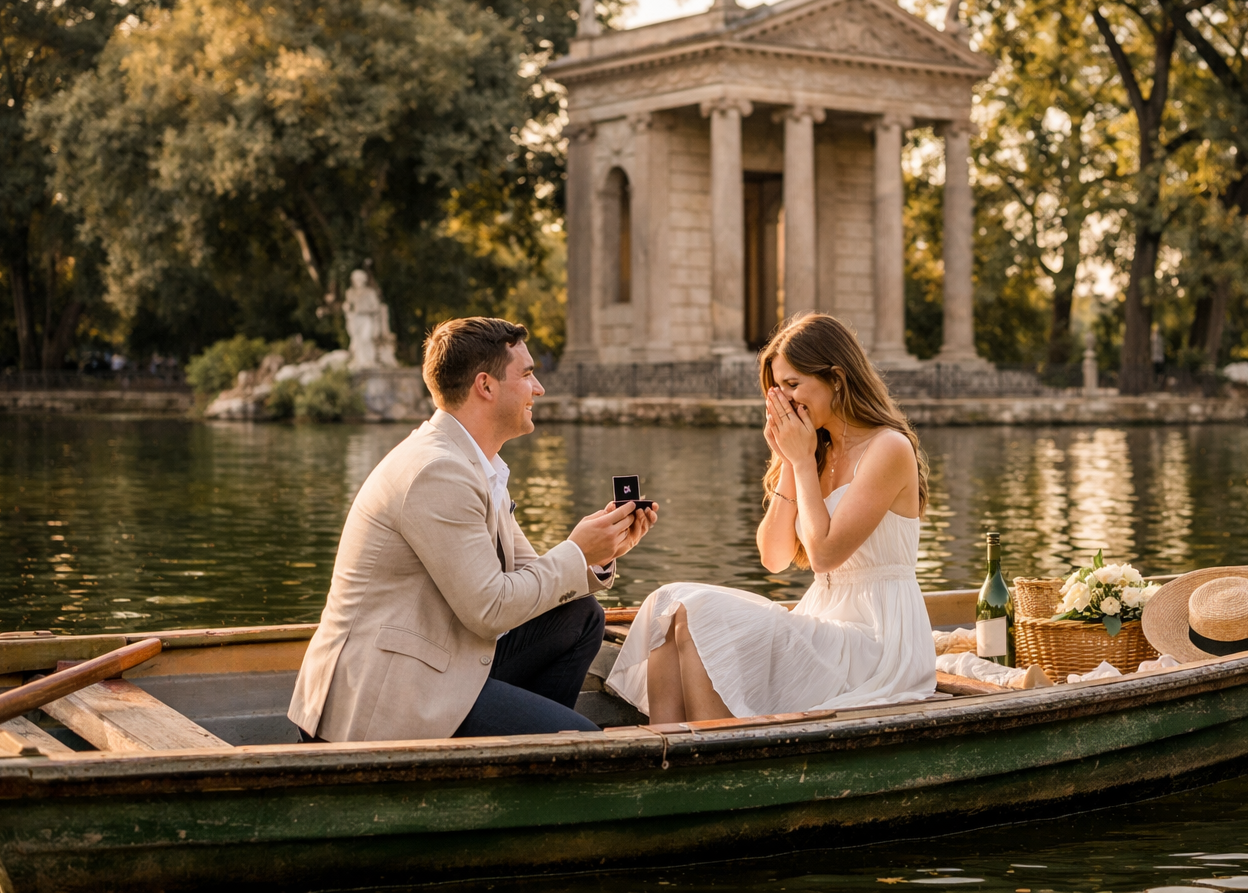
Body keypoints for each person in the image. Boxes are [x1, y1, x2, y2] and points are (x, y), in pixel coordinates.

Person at [288, 317, 658, 742]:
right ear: (486, 386)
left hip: (442, 668)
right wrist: (576, 551)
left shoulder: (476, 464)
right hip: (387, 697)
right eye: (528, 374)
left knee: (578, 615)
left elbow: (532, 579)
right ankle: (543, 755)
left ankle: (527, 759)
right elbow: (491, 610)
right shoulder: (437, 471)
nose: (539, 389)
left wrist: (601, 551)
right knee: (588, 744)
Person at [605, 313, 935, 722]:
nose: (786, 401)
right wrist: (788, 458)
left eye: (794, 385)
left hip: (880, 640)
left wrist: (798, 460)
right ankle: (669, 751)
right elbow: (775, 558)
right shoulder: (814, 451)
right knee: (668, 607)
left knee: (698, 612)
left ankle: (720, 755)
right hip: (824, 621)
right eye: (777, 389)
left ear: (836, 378)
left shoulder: (888, 448)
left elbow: (824, 555)